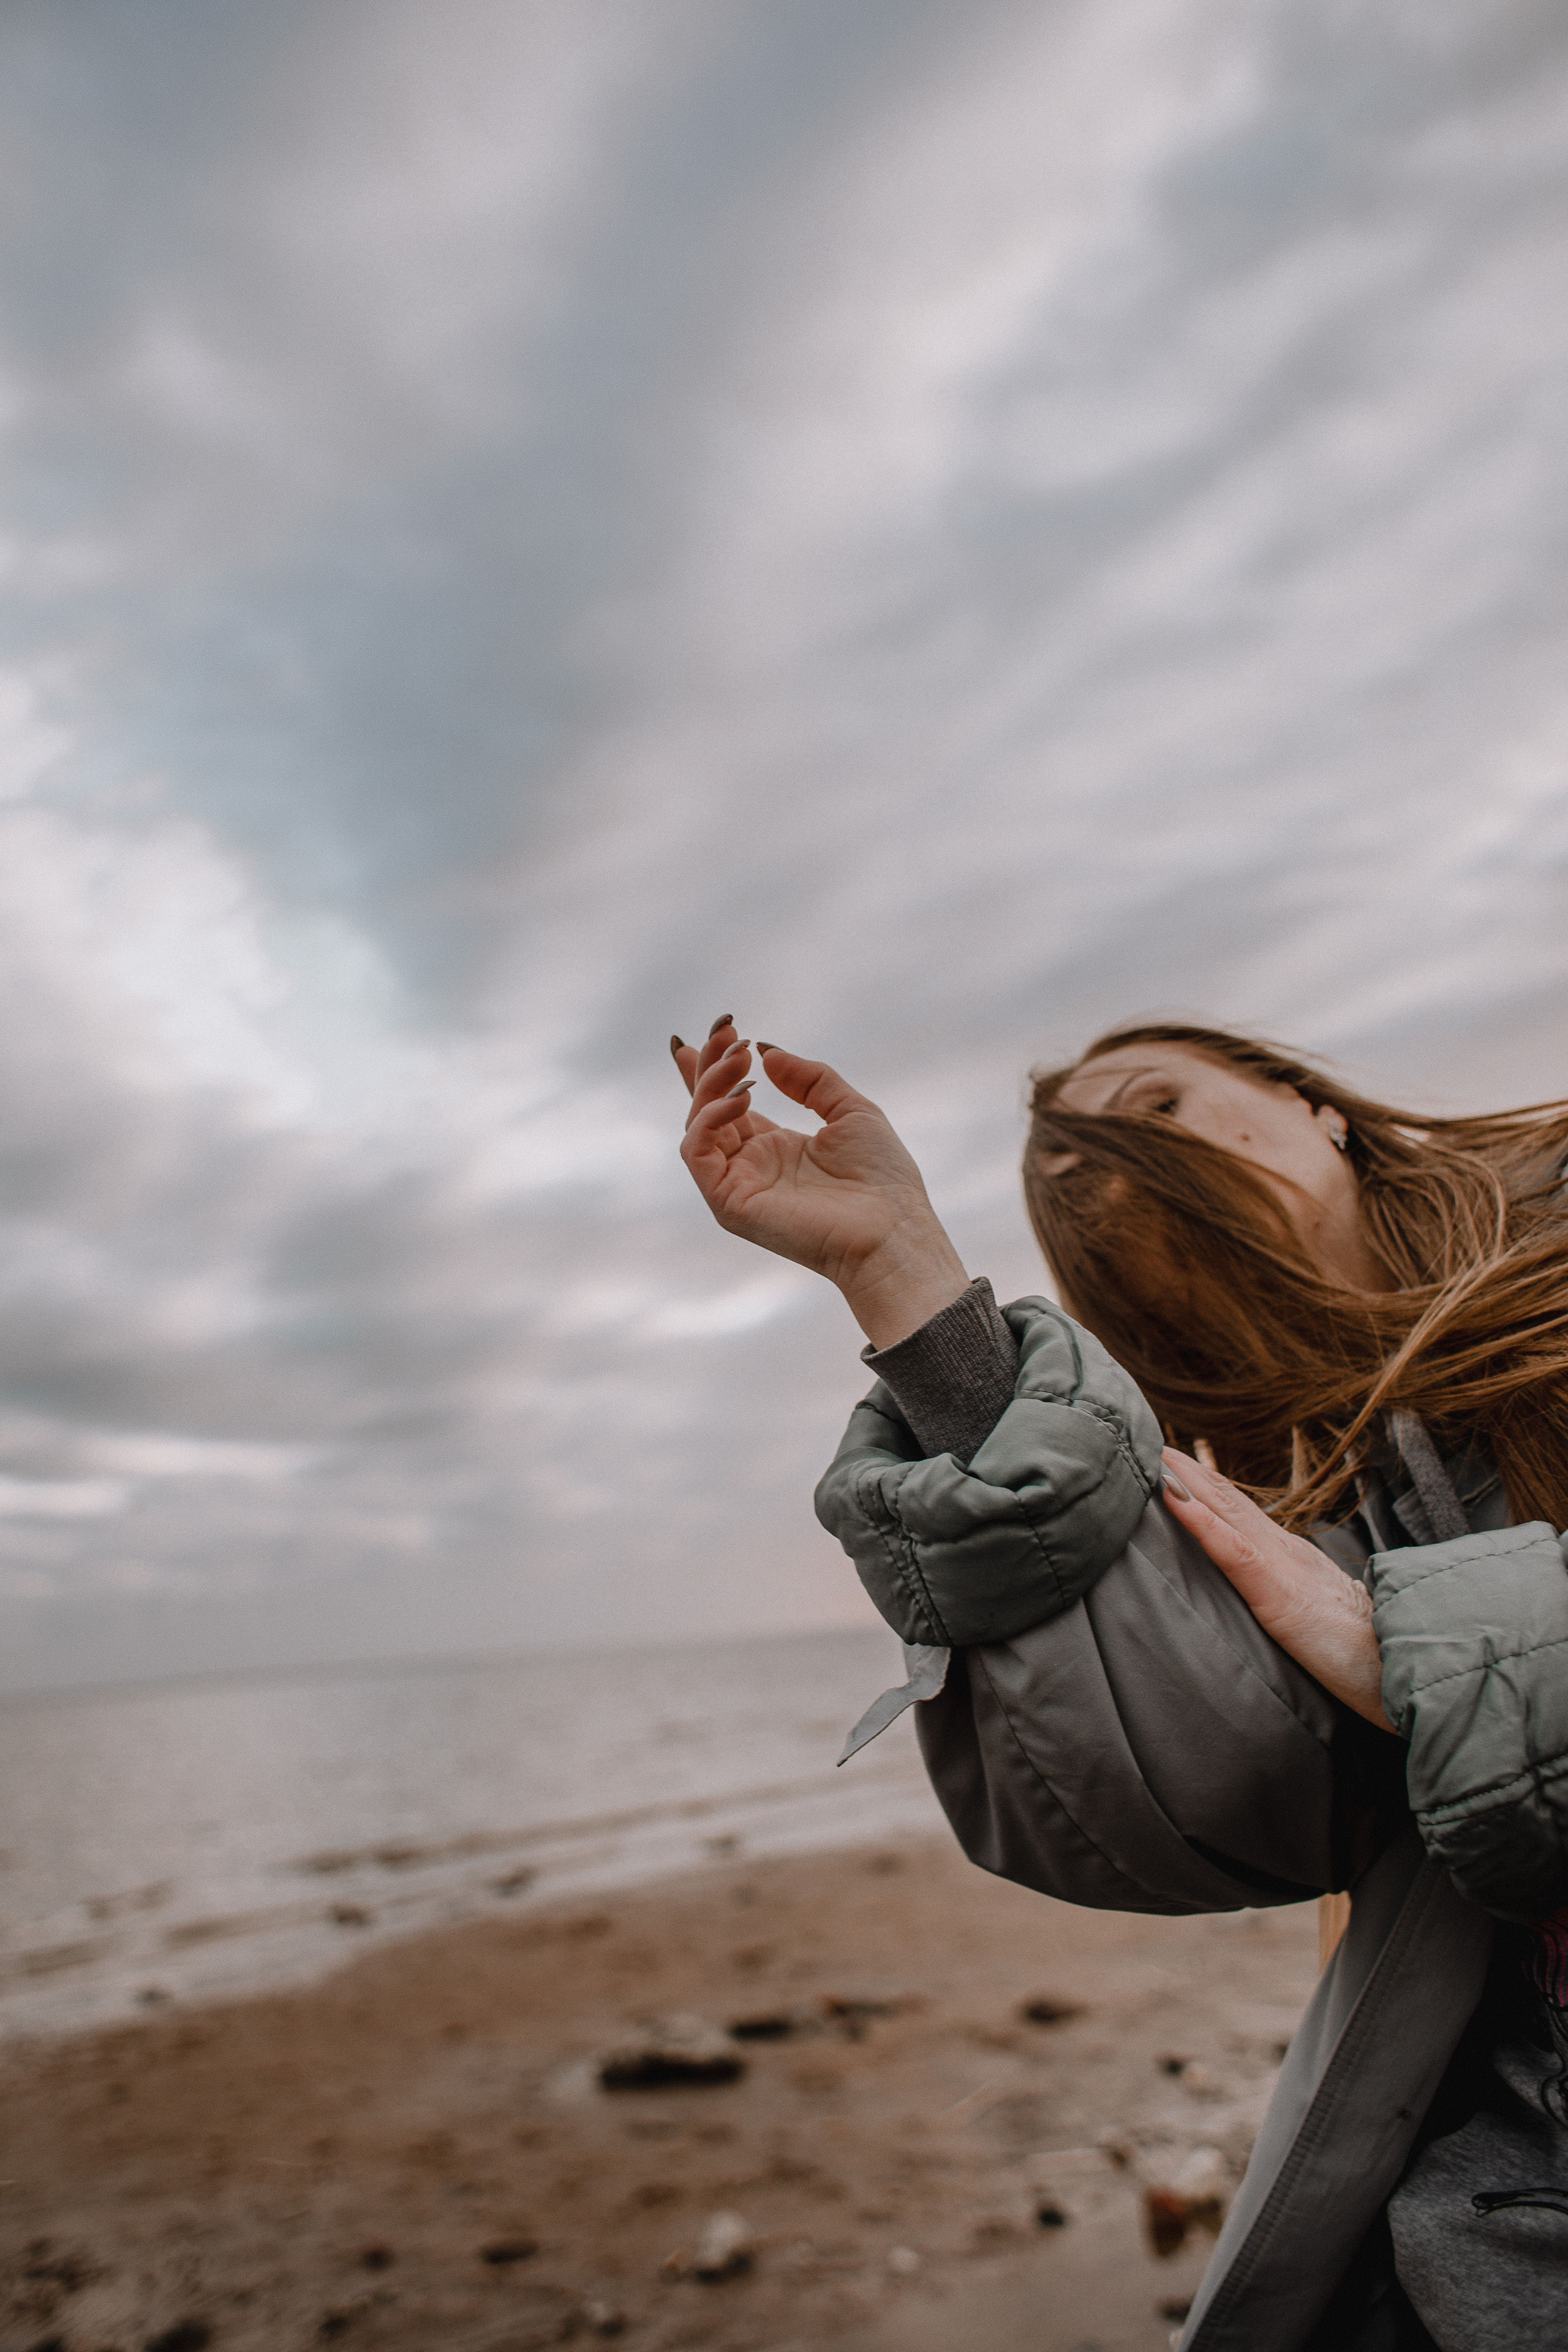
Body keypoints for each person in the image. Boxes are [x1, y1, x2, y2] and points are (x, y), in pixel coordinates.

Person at [671, 1015, 1568, 2352]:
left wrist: (1435, 1653)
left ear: (1312, 1104)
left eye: (1160, 1104)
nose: (1126, 1162)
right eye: (1079, 1180)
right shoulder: (1293, 1493)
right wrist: (901, 1274)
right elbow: (1213, 1792)